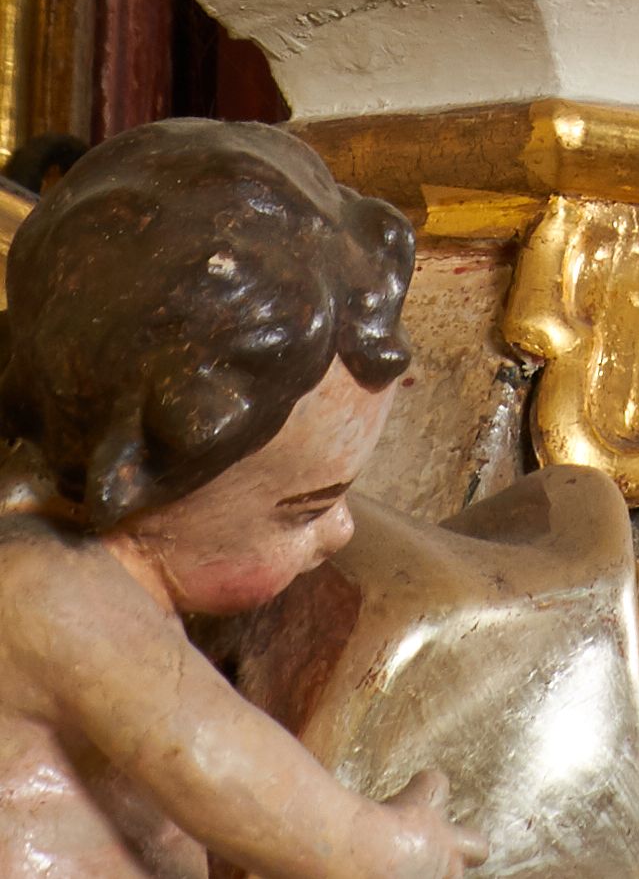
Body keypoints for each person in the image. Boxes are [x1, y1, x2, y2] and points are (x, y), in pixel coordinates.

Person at [0, 120, 486, 879]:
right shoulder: (54, 595)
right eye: (302, 510)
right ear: (145, 479)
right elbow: (219, 768)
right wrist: (391, 849)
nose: (341, 532)